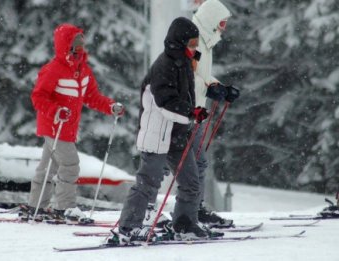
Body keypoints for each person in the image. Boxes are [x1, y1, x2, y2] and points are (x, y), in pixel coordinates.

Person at [109, 17, 214, 245]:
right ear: (180, 42)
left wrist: (195, 110)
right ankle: (129, 228)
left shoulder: (185, 63)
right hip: (157, 135)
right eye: (192, 43)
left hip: (176, 135)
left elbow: (187, 95)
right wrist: (191, 113)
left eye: (196, 43)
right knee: (148, 182)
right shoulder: (163, 66)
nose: (195, 48)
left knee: (191, 181)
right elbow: (165, 102)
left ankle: (184, 224)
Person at [20, 23, 124, 222]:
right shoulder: (53, 69)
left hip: (67, 128)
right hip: (53, 126)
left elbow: (92, 96)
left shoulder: (83, 70)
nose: (80, 46)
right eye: (75, 42)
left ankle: (36, 206)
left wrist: (110, 107)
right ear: (64, 44)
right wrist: (56, 110)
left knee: (48, 167)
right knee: (70, 164)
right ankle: (65, 208)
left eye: (81, 42)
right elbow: (38, 97)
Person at [191, 0, 236, 228]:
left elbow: (201, 74)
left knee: (198, 163)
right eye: (221, 22)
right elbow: (188, 76)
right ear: (210, 19)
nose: (223, 28)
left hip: (197, 111)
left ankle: (194, 209)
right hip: (188, 111)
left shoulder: (205, 42)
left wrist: (220, 87)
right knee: (191, 163)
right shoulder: (195, 41)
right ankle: (190, 211)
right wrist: (209, 88)